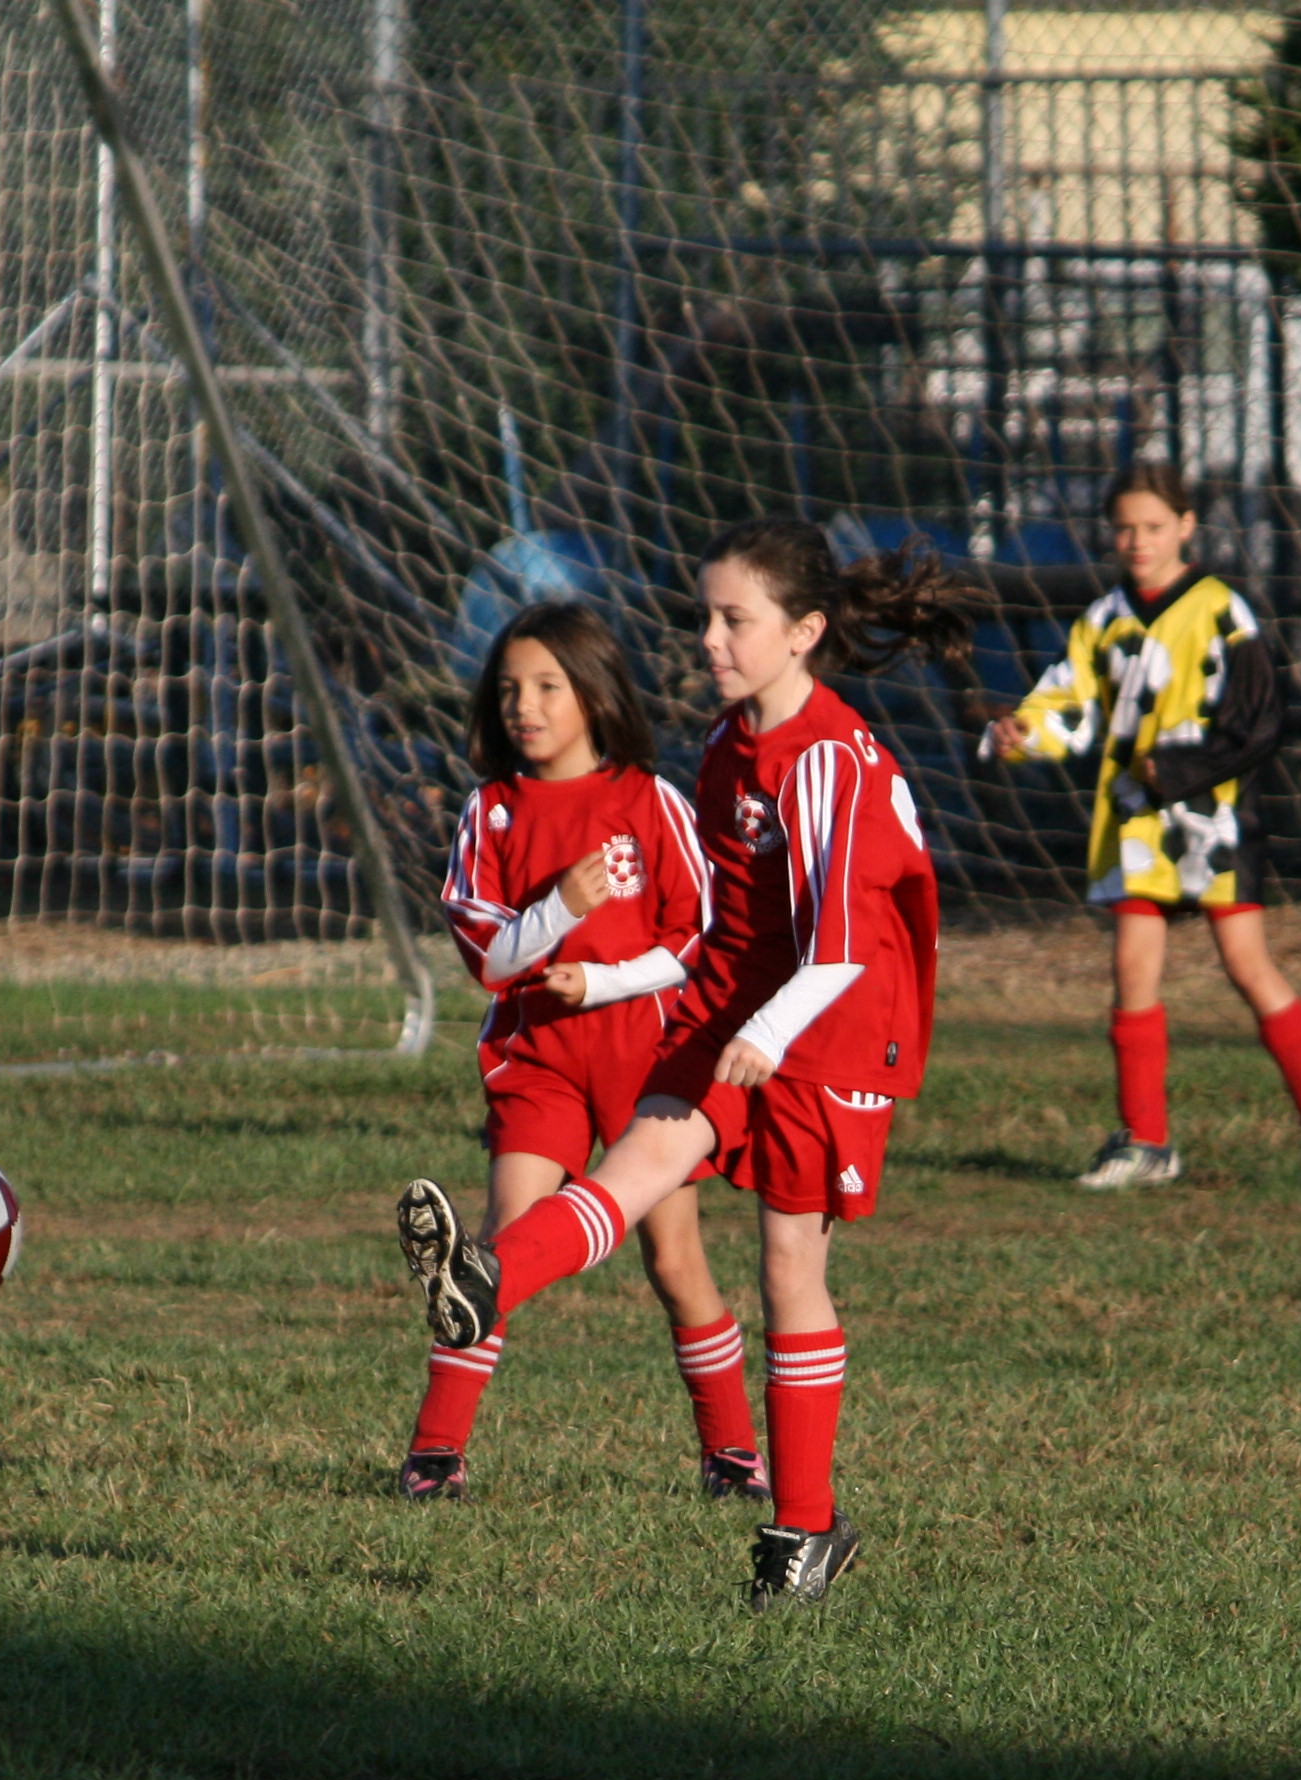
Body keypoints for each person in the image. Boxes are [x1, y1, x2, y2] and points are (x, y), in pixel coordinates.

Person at [395, 520, 983, 1607]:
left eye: (733, 620)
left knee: (788, 1270)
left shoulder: (830, 760)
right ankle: (485, 1281)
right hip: (732, 1014)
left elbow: (842, 947)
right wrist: (682, 1005)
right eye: (705, 616)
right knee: (636, 1167)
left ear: (803, 633)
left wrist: (767, 1035)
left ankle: (806, 1528)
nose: (709, 638)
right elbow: (715, 923)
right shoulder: (724, 746)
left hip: (832, 1031)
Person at [402, 602, 762, 1504]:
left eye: (548, 687)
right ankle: (435, 1455)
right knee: (497, 1251)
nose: (524, 706)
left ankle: (731, 1454)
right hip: (540, 1059)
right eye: (509, 689)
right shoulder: (491, 812)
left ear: (596, 695)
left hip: (650, 1061)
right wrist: (559, 907)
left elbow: (696, 939)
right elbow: (489, 956)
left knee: (675, 1264)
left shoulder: (650, 801)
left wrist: (600, 982)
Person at [983, 461, 1301, 1193]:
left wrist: (1183, 768)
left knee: (1247, 967)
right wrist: (1023, 732)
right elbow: (1070, 702)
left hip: (1215, 821)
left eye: (1153, 527)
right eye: (1124, 528)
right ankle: (1146, 1141)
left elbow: (1259, 722)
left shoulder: (1223, 611)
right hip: (1135, 818)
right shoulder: (1104, 618)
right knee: (1131, 970)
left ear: (1186, 526)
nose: (1138, 541)